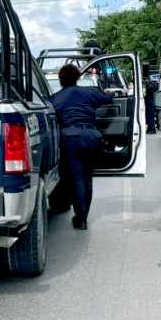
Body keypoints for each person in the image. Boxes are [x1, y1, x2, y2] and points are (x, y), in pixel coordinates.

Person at [51, 62, 112, 230]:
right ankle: (84, 215)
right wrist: (108, 92)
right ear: (78, 78)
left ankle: (81, 219)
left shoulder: (54, 99)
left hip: (70, 140)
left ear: (61, 80)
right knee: (88, 178)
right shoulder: (90, 92)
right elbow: (107, 98)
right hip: (92, 138)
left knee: (76, 180)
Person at [143, 63, 158, 134]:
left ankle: (152, 129)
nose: (145, 81)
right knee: (149, 116)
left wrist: (145, 97)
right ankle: (150, 128)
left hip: (150, 102)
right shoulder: (152, 84)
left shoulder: (150, 85)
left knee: (150, 115)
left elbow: (151, 94)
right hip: (151, 101)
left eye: (145, 79)